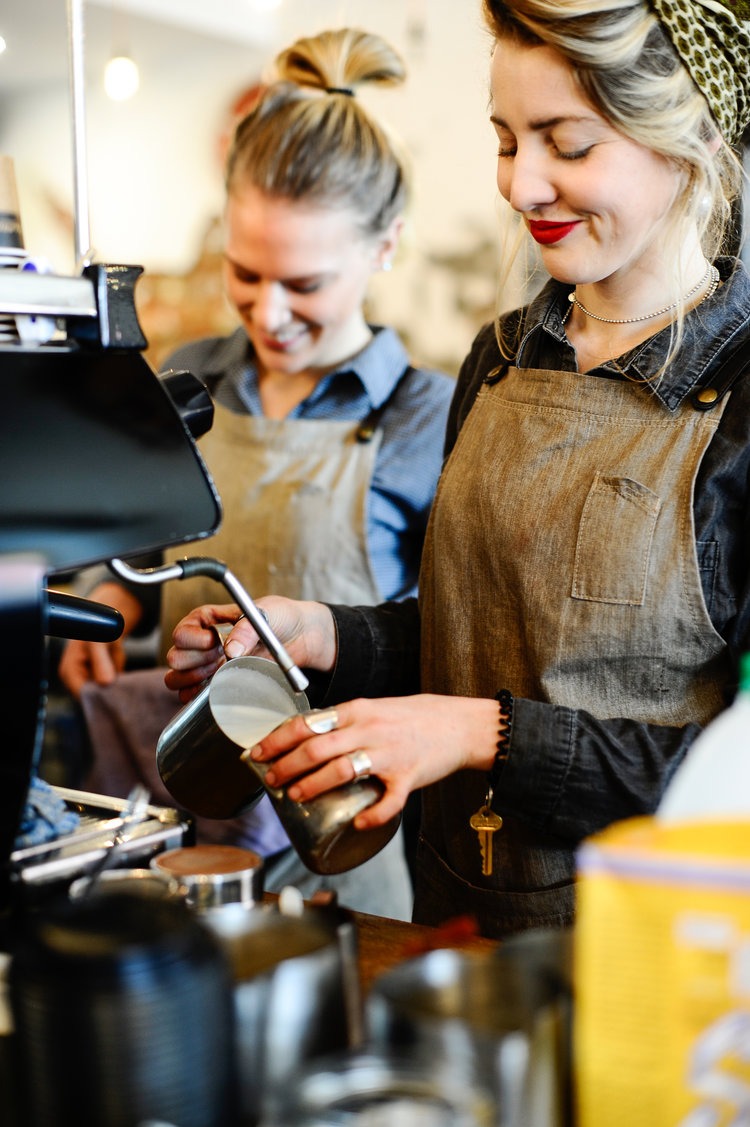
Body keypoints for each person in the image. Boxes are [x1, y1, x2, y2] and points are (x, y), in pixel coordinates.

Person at [164, 0, 750, 942]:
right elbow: (471, 635)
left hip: (653, 951)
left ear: (691, 143)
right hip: (450, 918)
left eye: (567, 144)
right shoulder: (502, 357)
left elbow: (733, 776)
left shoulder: (740, 396)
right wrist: (326, 635)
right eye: (507, 141)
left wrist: (483, 735)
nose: (521, 185)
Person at [58, 27, 455, 921]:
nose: (269, 313)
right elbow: (145, 534)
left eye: (305, 284)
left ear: (386, 245)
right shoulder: (190, 374)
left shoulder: (430, 416)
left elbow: (443, 637)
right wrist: (111, 597)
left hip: (340, 832)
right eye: (246, 273)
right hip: (186, 810)